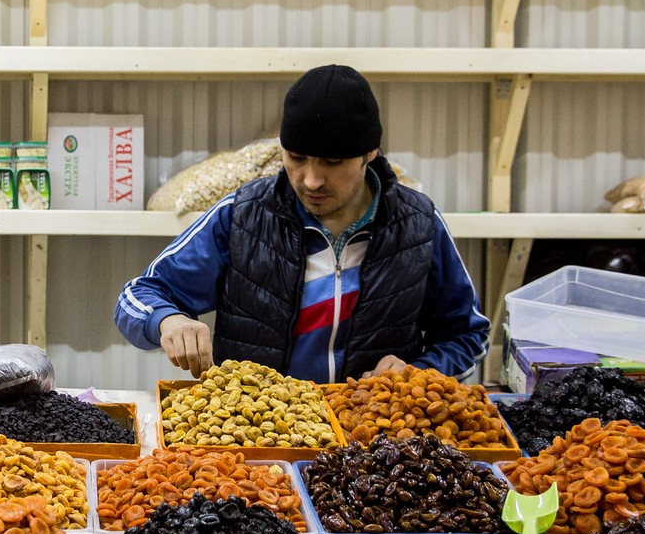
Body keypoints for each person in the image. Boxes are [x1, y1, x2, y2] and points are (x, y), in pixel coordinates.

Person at [115, 63, 489, 383]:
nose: (311, 180)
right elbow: (138, 296)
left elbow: (466, 335)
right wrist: (169, 321)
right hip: (259, 441)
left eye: (331, 162)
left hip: (374, 448)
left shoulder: (418, 224)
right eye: (296, 158)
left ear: (369, 154)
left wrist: (418, 372)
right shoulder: (243, 216)